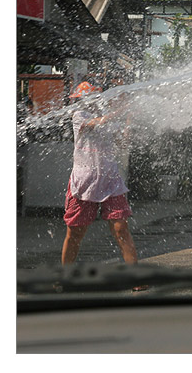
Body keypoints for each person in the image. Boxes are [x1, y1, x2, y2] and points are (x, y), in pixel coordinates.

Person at [61, 82, 139, 271]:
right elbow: (96, 124)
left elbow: (122, 142)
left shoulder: (108, 120)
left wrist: (129, 119)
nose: (87, 103)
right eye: (82, 100)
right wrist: (122, 109)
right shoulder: (79, 117)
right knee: (75, 233)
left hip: (110, 180)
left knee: (121, 228)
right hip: (84, 182)